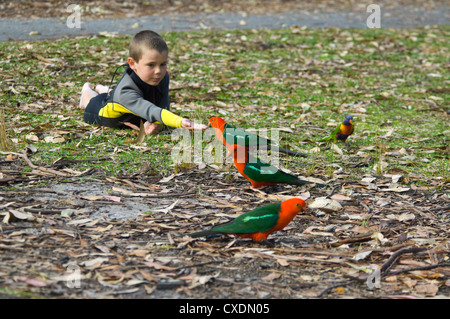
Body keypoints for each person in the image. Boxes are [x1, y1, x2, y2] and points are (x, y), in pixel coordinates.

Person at [80, 30, 207, 134]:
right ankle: (87, 89)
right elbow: (152, 111)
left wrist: (155, 124)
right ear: (132, 63)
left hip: (134, 106)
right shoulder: (125, 93)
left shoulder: (162, 76)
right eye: (151, 65)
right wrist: (180, 121)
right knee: (91, 100)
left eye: (163, 64)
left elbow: (161, 106)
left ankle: (103, 88)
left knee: (118, 96)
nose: (158, 71)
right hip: (100, 111)